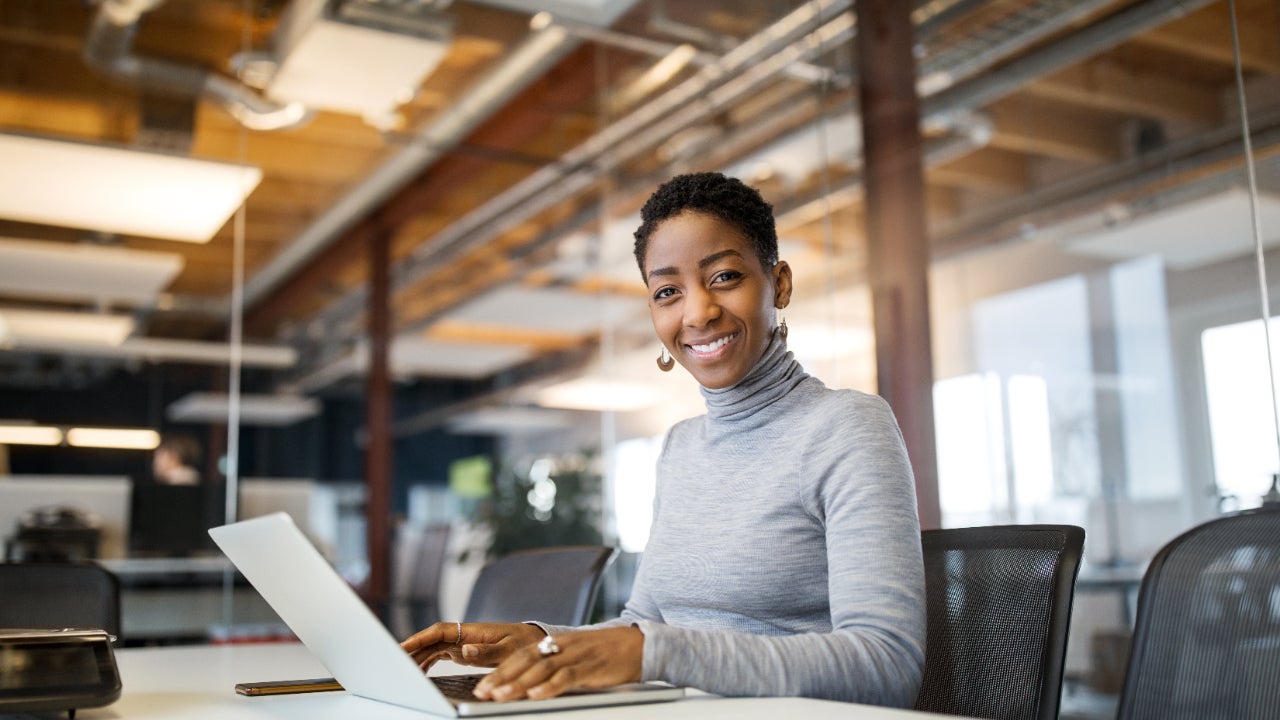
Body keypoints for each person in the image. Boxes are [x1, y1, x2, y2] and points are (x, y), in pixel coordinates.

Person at [402, 172, 926, 707]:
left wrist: (659, 652)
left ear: (780, 283)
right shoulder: (681, 446)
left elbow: (888, 664)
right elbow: (644, 623)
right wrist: (544, 642)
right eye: (668, 292)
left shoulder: (847, 426)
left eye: (724, 276)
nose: (698, 313)